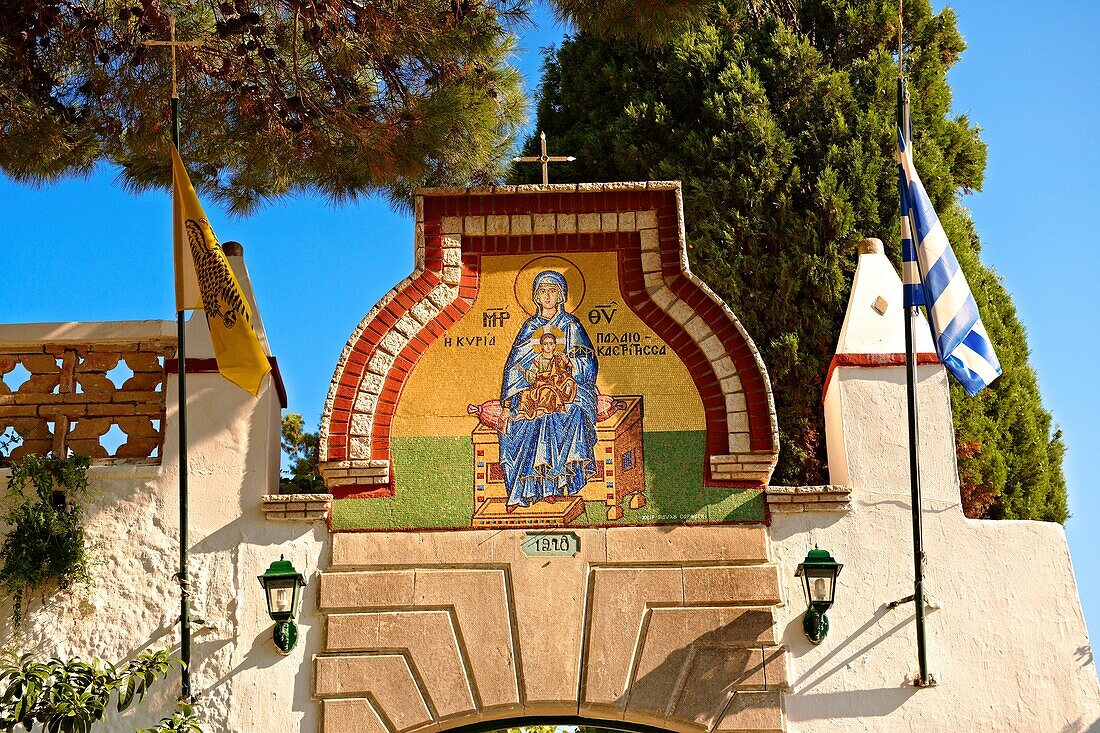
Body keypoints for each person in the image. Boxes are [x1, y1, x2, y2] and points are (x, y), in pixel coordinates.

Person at [499, 271, 598, 511]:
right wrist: (507, 404)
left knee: (566, 414)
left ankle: (556, 484)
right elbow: (515, 366)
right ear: (535, 296)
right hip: (535, 391)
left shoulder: (571, 325)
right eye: (542, 291)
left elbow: (588, 361)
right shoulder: (529, 327)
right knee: (521, 422)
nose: (547, 296)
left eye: (552, 291)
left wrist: (571, 364)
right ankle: (526, 490)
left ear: (561, 295)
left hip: (568, 390)